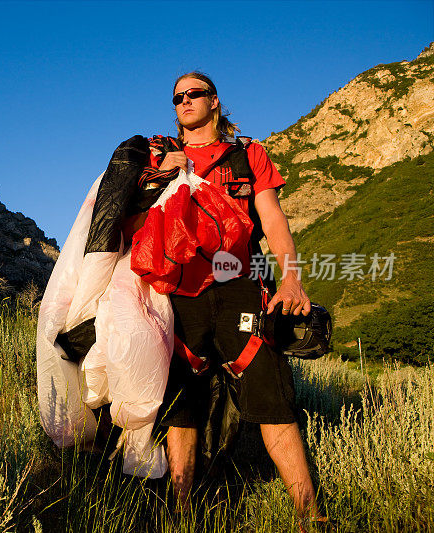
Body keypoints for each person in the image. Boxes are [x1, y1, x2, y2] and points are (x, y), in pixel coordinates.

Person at [143, 72, 324, 524]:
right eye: (177, 97)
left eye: (193, 94)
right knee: (181, 405)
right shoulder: (161, 155)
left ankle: (310, 514)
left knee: (271, 397)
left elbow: (273, 218)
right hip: (179, 293)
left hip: (241, 285)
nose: (184, 101)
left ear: (214, 101)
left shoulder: (248, 155)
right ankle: (182, 512)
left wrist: (292, 279)